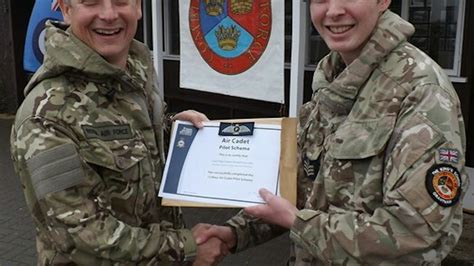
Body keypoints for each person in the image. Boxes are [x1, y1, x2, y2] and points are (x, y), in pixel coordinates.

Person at [195, 0, 470, 264]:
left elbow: (415, 233)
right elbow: (298, 189)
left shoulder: (421, 92)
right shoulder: (333, 80)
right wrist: (234, 233)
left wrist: (298, 222)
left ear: (383, 1)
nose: (334, 11)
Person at [10, 0, 228, 264]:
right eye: (91, 2)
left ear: (137, 7)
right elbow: (80, 234)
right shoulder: (45, 113)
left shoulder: (135, 70)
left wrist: (169, 128)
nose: (109, 14)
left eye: (121, 1)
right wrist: (187, 248)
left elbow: (124, 139)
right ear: (66, 10)